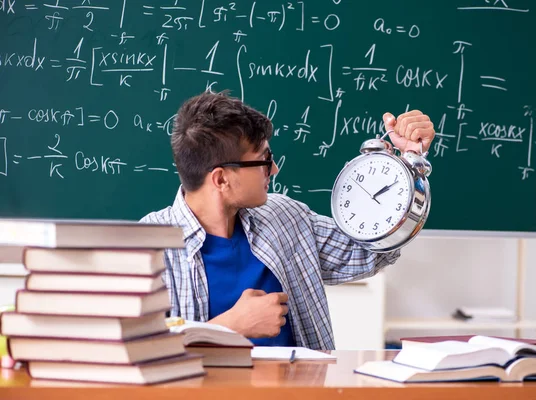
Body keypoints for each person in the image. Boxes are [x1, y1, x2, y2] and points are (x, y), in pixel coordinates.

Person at [141, 91, 435, 349]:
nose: (275, 169)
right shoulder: (147, 248)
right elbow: (132, 356)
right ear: (221, 179)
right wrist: (230, 326)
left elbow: (368, 251)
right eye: (264, 159)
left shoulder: (285, 217)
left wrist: (406, 163)